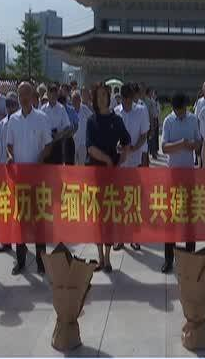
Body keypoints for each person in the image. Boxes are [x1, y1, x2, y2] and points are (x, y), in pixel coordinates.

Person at [6, 83, 53, 274]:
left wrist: (40, 160)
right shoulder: (13, 120)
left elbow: (48, 145)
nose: (23, 98)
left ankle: (42, 262)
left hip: (37, 178)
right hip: (19, 179)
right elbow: (9, 144)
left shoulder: (41, 118)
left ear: (32, 95)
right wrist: (10, 157)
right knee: (20, 221)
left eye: (26, 94)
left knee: (38, 221)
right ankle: (21, 261)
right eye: (20, 94)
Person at [86, 84, 131, 272]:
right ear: (95, 99)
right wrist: (106, 159)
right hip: (95, 173)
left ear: (109, 97)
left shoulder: (117, 120)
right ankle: (100, 258)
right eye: (99, 96)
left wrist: (122, 157)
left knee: (109, 216)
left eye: (105, 95)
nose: (102, 98)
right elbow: (90, 148)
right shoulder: (91, 120)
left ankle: (108, 257)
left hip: (111, 175)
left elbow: (127, 141)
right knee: (96, 217)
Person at [160, 92, 202, 273]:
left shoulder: (193, 120)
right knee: (171, 218)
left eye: (183, 110)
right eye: (178, 111)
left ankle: (190, 255)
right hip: (173, 175)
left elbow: (199, 141)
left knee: (190, 216)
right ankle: (168, 258)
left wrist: (192, 145)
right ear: (173, 109)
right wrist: (181, 144)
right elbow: (164, 147)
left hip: (189, 174)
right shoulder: (168, 122)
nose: (181, 113)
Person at [113, 83, 149, 251]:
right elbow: (112, 136)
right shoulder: (116, 112)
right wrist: (117, 146)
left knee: (134, 200)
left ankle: (135, 236)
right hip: (120, 162)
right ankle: (120, 237)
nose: (126, 104)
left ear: (132, 98)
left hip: (134, 161)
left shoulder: (141, 111)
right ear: (122, 98)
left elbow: (144, 134)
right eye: (124, 101)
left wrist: (135, 147)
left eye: (129, 101)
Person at [0, 91, 19, 255]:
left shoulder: (19, 123)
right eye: (8, 104)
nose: (10, 107)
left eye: (12, 104)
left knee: (17, 207)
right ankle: (5, 241)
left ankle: (18, 241)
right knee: (4, 206)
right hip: (3, 169)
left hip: (17, 171)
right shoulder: (2, 124)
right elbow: (0, 148)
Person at [40, 84, 73, 165]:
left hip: (57, 143)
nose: (53, 96)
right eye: (51, 93)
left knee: (57, 170)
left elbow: (67, 126)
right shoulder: (43, 109)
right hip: (45, 143)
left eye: (55, 94)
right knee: (46, 170)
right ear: (47, 94)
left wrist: (59, 135)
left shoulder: (61, 108)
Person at [58, 85, 79, 165]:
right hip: (58, 140)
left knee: (69, 163)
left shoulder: (71, 110)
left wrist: (71, 133)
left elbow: (76, 125)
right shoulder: (57, 111)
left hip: (69, 139)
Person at [71, 90, 93, 165]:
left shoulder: (85, 109)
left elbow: (92, 120)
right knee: (73, 164)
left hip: (83, 142)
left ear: (80, 100)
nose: (75, 101)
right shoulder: (70, 110)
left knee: (81, 164)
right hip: (72, 142)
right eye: (73, 99)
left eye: (77, 99)